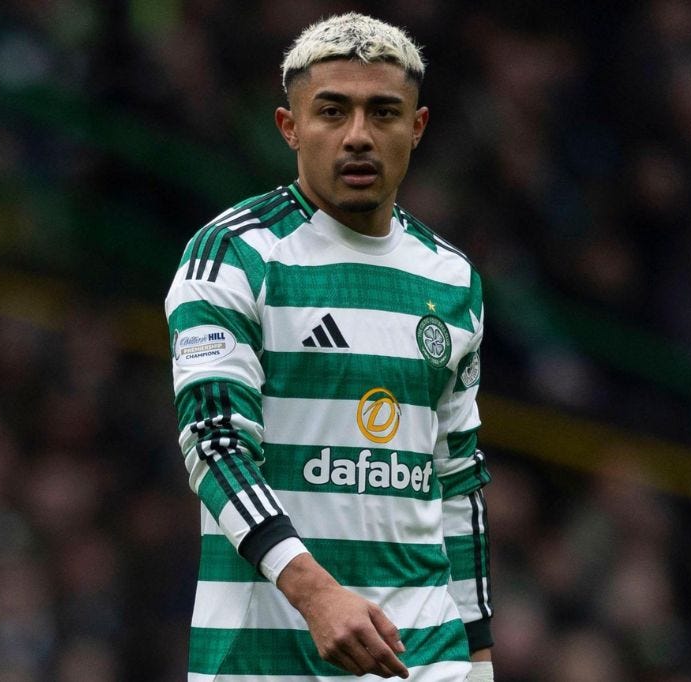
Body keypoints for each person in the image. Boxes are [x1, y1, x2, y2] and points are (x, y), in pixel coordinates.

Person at [165, 12, 495, 681]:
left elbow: (457, 479)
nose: (358, 136)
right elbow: (216, 446)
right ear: (290, 127)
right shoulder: (233, 255)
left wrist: (480, 657)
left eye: (383, 113)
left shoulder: (453, 279)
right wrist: (315, 593)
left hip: (428, 657)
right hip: (267, 660)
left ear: (417, 127)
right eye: (333, 111)